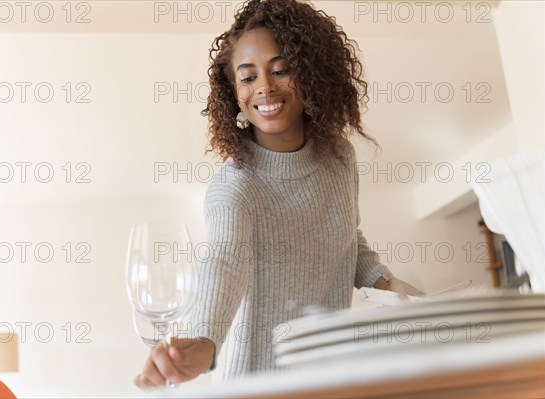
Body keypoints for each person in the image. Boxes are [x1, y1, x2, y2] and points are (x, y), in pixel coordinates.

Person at [134, 0, 425, 388]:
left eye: (280, 69)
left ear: (311, 74)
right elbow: (225, 260)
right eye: (248, 77)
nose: (265, 87)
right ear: (233, 92)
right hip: (260, 386)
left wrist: (389, 285)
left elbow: (347, 238)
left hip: (332, 380)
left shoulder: (340, 157)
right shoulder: (236, 185)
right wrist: (203, 341)